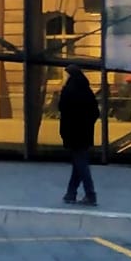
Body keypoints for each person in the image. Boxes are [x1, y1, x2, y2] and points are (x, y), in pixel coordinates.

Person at [56, 66, 99, 207]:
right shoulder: (87, 92)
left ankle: (90, 194)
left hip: (72, 132)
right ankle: (71, 193)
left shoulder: (69, 91)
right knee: (79, 163)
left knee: (80, 163)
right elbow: (95, 112)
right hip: (86, 132)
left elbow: (62, 108)